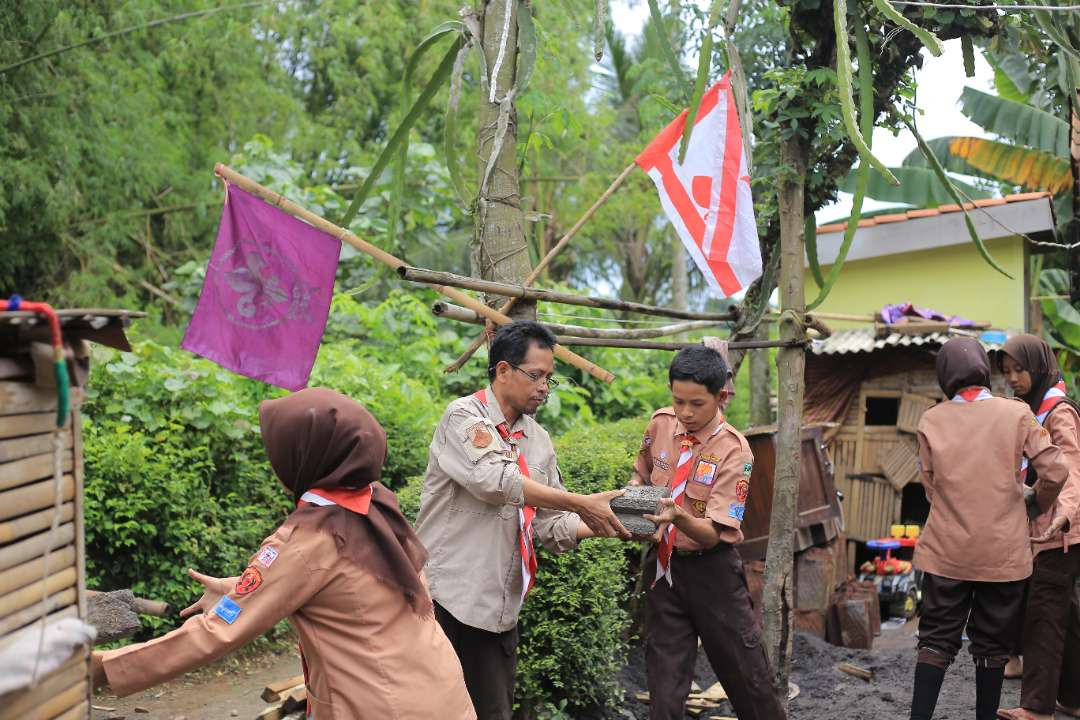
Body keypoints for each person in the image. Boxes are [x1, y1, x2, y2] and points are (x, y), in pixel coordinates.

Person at [90, 388, 476, 720]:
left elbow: (218, 633)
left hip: (380, 704)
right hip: (438, 691)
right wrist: (240, 590)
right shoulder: (375, 502)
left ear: (305, 456)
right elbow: (349, 588)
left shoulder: (308, 538)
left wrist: (104, 668)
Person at [414, 320, 629, 720]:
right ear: (503, 371)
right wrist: (582, 502)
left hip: (497, 610)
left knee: (493, 713)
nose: (544, 387)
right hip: (443, 600)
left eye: (550, 378)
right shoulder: (464, 416)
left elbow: (549, 526)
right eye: (536, 375)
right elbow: (494, 481)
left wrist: (609, 523)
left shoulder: (539, 441)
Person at [908, 337, 1069, 720]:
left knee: (935, 640)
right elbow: (1057, 470)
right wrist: (1035, 502)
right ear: (984, 370)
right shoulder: (1016, 415)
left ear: (945, 375)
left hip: (947, 553)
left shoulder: (931, 419)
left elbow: (930, 488)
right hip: (1003, 554)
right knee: (993, 644)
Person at [630, 345, 787, 720]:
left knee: (747, 676)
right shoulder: (661, 424)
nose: (685, 412)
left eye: (696, 404)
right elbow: (641, 470)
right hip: (664, 568)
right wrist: (633, 493)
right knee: (664, 682)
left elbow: (713, 535)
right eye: (678, 400)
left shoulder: (736, 451)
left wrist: (676, 516)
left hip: (712, 572)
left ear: (721, 397)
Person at [995, 334, 1080, 720]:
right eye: (1007, 371)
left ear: (1039, 367)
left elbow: (1072, 467)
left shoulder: (1057, 412)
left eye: (1019, 369)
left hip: (1060, 530)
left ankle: (1036, 707)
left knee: (1043, 613)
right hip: (1053, 528)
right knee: (1068, 615)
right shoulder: (1034, 409)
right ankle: (1075, 698)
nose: (1013, 378)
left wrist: (1063, 511)